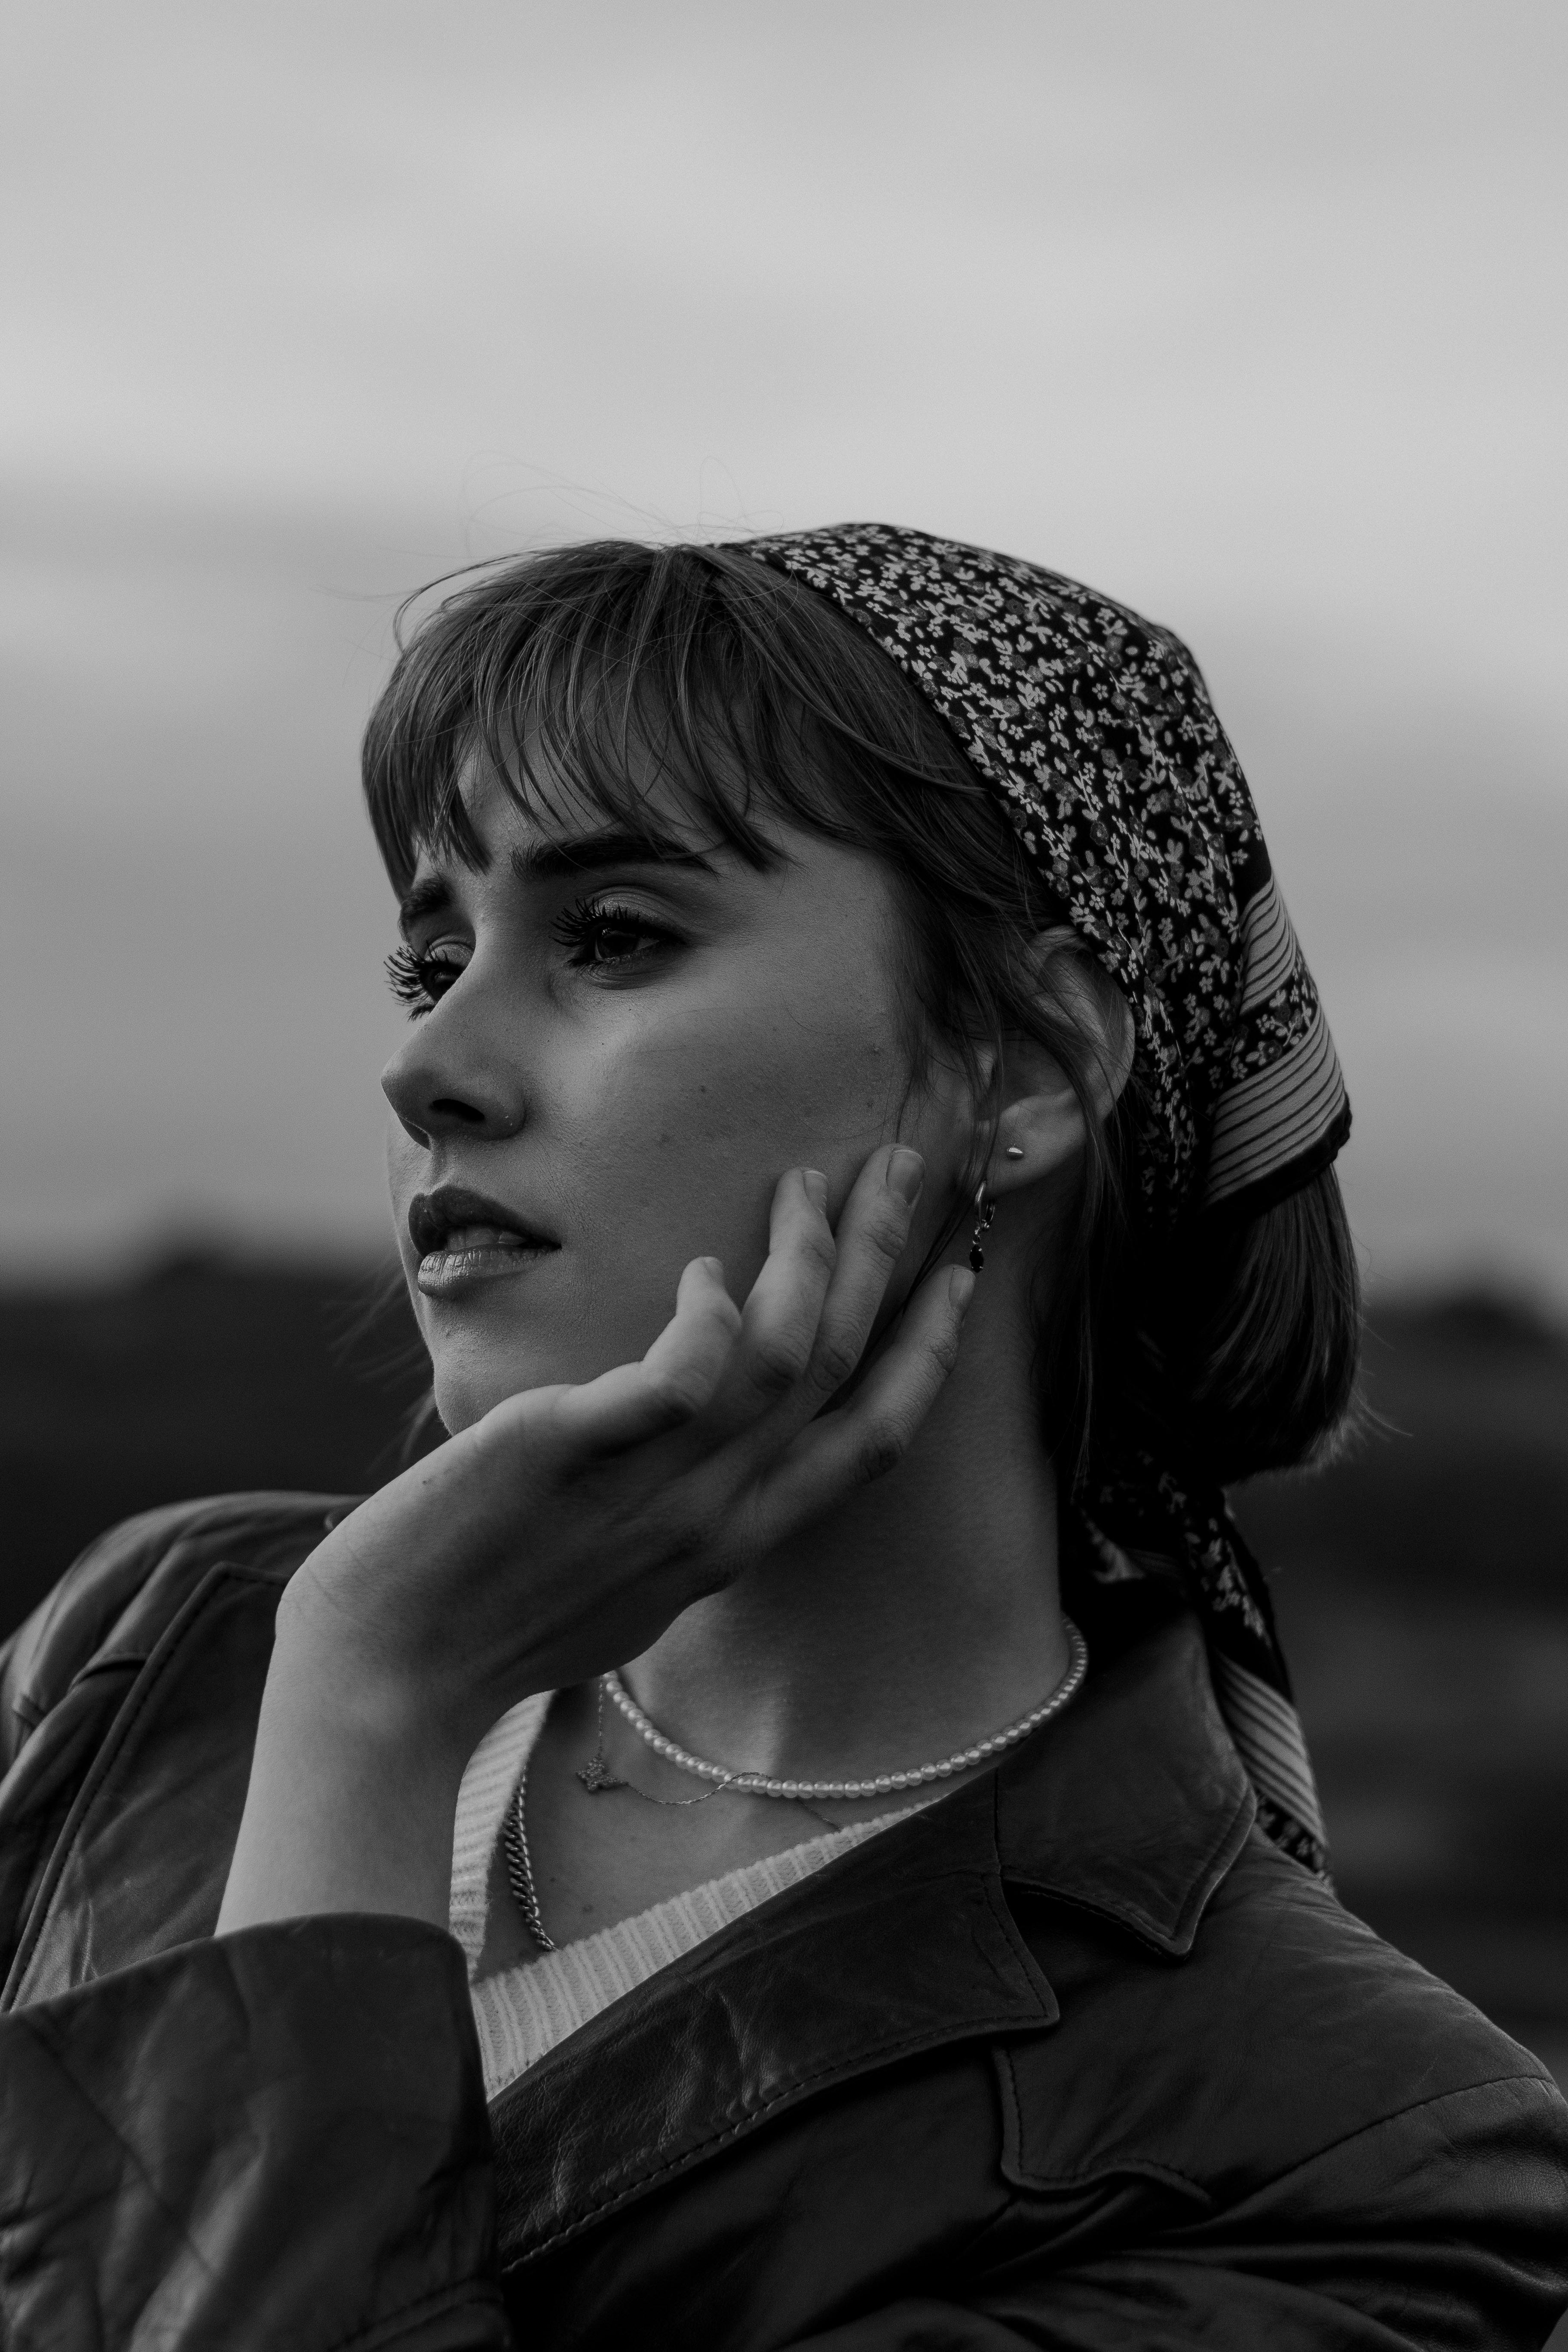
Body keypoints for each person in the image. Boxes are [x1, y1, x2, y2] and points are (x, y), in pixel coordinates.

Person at [1, 527, 1564, 2350]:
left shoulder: (1353, 2164)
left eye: (612, 938)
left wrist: (372, 1708)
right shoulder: (165, 1641)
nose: (428, 1068)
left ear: (1031, 1067)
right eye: (431, 963)